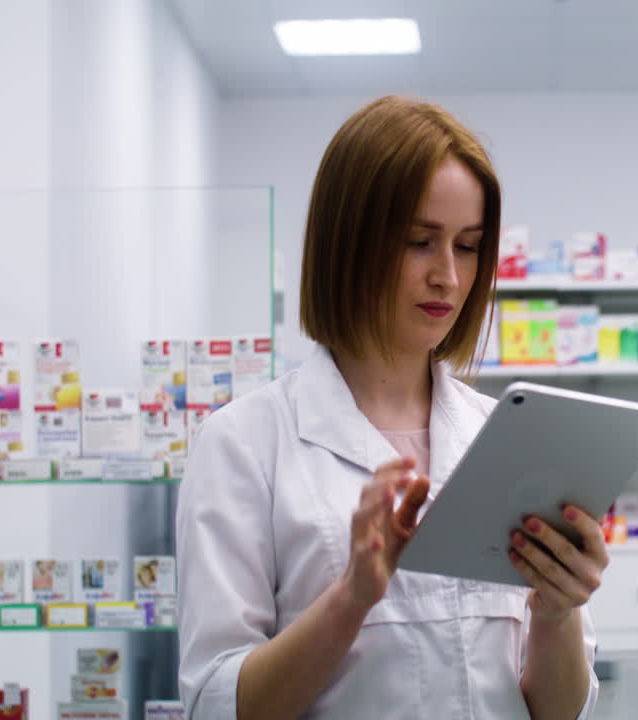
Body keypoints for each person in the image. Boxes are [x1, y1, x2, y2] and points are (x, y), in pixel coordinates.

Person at [177, 95, 608, 720]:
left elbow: (563, 711)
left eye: (467, 247)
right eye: (419, 242)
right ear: (347, 243)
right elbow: (216, 705)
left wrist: (557, 609)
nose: (449, 278)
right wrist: (351, 597)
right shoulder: (245, 444)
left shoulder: (505, 435)